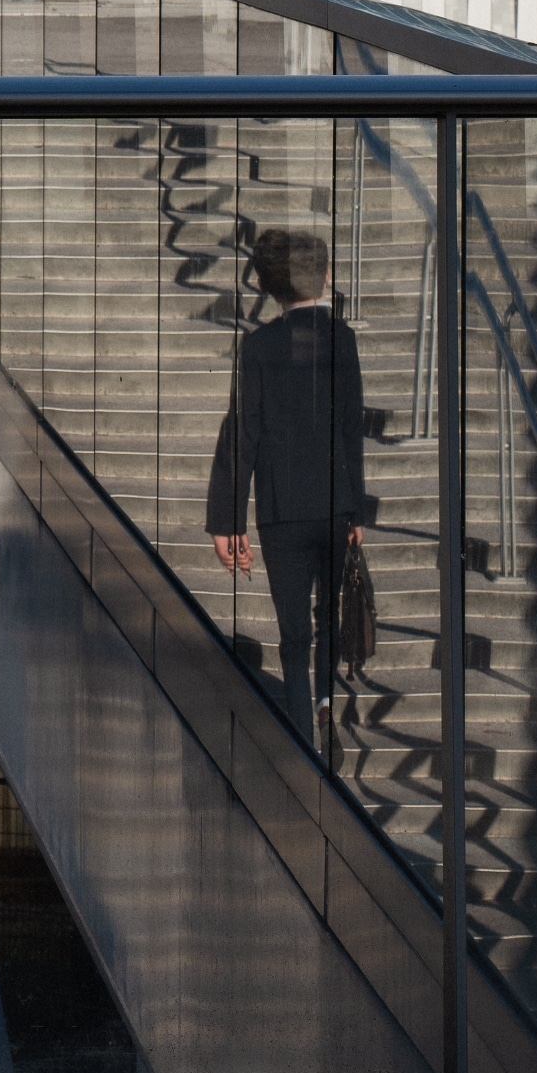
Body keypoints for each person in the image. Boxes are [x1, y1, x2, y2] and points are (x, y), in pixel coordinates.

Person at [206, 226, 374, 742]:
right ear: (324, 277)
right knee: (329, 615)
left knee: (294, 633)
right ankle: (326, 699)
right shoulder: (341, 339)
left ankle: (302, 728)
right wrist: (357, 510)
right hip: (333, 503)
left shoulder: (258, 347)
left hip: (281, 510)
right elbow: (352, 427)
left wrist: (227, 520)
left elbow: (243, 431)